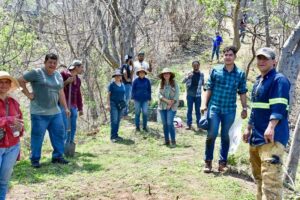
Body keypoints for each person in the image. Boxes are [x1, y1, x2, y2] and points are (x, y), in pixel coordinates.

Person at [243, 47, 290, 200]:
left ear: (274, 61)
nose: (261, 61)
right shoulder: (258, 81)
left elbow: (279, 106)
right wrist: (248, 128)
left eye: (265, 58)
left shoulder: (279, 80)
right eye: (259, 58)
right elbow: (255, 109)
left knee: (271, 184)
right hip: (256, 138)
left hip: (272, 139)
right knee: (259, 180)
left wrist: (271, 127)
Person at [18, 53, 70, 168]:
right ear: (45, 62)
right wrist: (28, 94)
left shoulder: (58, 75)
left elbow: (61, 92)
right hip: (39, 113)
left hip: (55, 112)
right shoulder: (36, 73)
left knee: (59, 134)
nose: (52, 65)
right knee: (38, 137)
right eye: (50, 62)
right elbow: (19, 81)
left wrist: (65, 107)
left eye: (54, 63)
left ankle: (57, 157)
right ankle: (35, 159)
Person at [202, 46, 248, 173]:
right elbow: (209, 88)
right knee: (211, 134)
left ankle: (222, 163)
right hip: (215, 108)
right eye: (226, 55)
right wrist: (204, 104)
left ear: (234, 57)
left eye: (230, 55)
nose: (228, 57)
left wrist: (244, 108)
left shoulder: (240, 74)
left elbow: (242, 92)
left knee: (225, 135)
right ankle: (208, 161)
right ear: (223, 56)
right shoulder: (215, 71)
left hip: (230, 110)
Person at [0, 71, 24, 200]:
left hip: (13, 146)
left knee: (4, 181)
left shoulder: (14, 102)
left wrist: (20, 128)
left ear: (10, 85)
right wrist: (7, 120)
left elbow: (20, 119)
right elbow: (9, 119)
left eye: (6, 82)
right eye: (1, 82)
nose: (3, 85)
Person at [60, 60, 84, 144]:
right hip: (63, 105)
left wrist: (80, 108)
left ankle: (71, 142)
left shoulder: (78, 80)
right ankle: (63, 145)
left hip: (73, 106)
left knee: (73, 126)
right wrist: (66, 82)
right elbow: (57, 88)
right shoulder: (63, 74)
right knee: (65, 125)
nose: (82, 69)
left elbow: (78, 94)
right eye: (81, 67)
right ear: (76, 67)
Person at [158, 68, 180, 148]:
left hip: (172, 106)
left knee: (169, 123)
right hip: (162, 106)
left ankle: (173, 141)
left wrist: (170, 103)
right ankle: (167, 140)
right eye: (164, 74)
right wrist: (167, 101)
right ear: (163, 75)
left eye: (167, 73)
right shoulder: (161, 83)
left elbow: (177, 94)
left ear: (170, 75)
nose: (166, 75)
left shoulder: (174, 83)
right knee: (164, 124)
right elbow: (159, 95)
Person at [182, 61, 204, 131]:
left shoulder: (201, 74)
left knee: (198, 111)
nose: (196, 67)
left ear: (199, 66)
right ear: (192, 66)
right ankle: (189, 125)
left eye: (197, 65)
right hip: (190, 95)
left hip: (198, 95)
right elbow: (183, 81)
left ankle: (199, 125)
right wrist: (188, 77)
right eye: (194, 65)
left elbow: (203, 84)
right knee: (189, 110)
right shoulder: (189, 73)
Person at [107, 69, 126, 143]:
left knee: (118, 120)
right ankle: (112, 137)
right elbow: (108, 95)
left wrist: (124, 104)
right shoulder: (111, 85)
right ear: (114, 77)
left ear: (121, 77)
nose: (118, 77)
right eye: (116, 76)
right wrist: (108, 105)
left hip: (120, 105)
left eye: (119, 76)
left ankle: (116, 135)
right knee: (114, 120)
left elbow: (123, 95)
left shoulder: (123, 85)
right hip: (113, 104)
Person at [132, 68, 151, 132]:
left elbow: (149, 90)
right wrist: (133, 98)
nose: (141, 73)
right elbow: (133, 90)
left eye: (143, 72)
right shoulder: (135, 81)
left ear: (145, 73)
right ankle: (137, 127)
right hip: (137, 99)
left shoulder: (147, 81)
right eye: (140, 72)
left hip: (145, 99)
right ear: (138, 74)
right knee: (137, 113)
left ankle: (144, 127)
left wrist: (149, 98)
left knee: (145, 113)